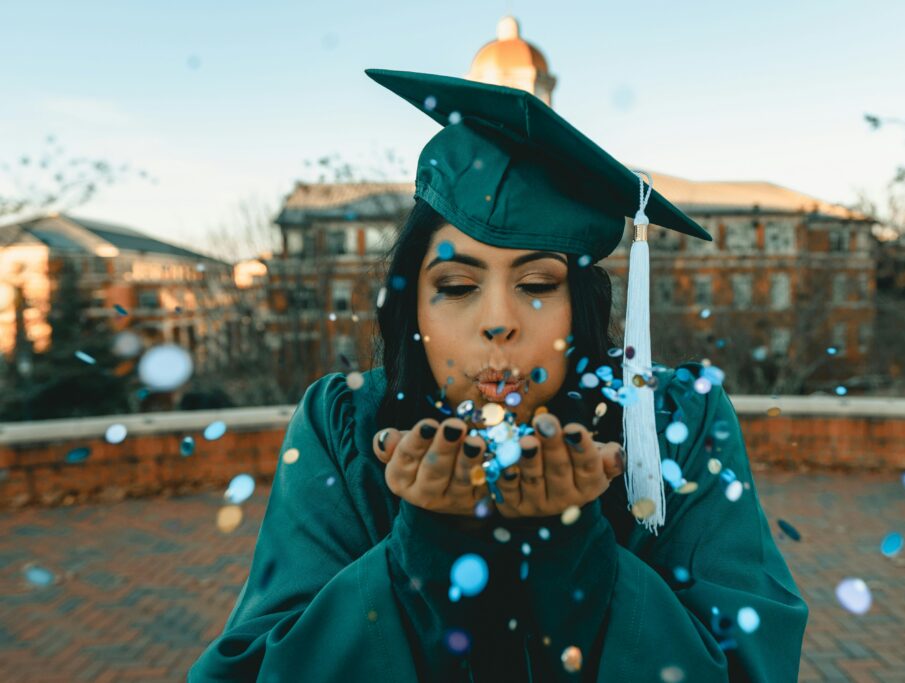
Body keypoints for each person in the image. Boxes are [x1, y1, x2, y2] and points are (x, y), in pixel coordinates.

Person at [189, 69, 808, 682]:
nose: (498, 323)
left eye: (537, 284)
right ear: (413, 307)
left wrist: (576, 554)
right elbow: (257, 666)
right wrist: (423, 548)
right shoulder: (346, 426)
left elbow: (749, 665)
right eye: (457, 286)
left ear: (582, 305)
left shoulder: (672, 423)